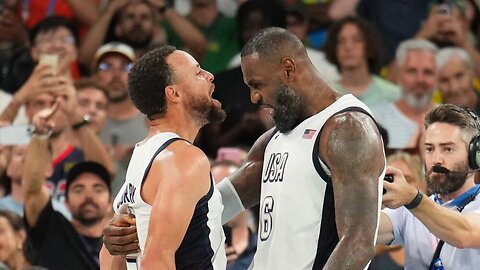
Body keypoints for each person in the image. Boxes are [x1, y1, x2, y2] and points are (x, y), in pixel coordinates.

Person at [104, 27, 385, 270]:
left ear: (288, 69)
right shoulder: (274, 139)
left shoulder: (347, 129)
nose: (254, 97)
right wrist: (136, 225)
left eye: (257, 85)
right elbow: (212, 206)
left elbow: (358, 243)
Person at [102, 45, 227, 269]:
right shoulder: (184, 158)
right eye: (198, 73)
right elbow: (156, 259)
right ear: (174, 93)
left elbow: (108, 257)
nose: (210, 76)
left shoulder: (143, 155)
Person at [379, 104, 480, 269]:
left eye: (448, 149)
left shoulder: (415, 204)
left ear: (474, 155)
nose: (436, 159)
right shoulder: (409, 212)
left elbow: (464, 234)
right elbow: (364, 230)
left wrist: (413, 199)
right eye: (430, 149)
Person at [23, 100, 112, 269]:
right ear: (66, 202)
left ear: (110, 203)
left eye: (98, 189)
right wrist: (40, 134)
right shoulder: (52, 230)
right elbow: (32, 191)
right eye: (78, 189)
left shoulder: (123, 247)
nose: (88, 196)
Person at [436, 47, 480, 114]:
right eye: (445, 80)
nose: (454, 88)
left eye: (459, 76)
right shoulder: (432, 120)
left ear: (472, 73)